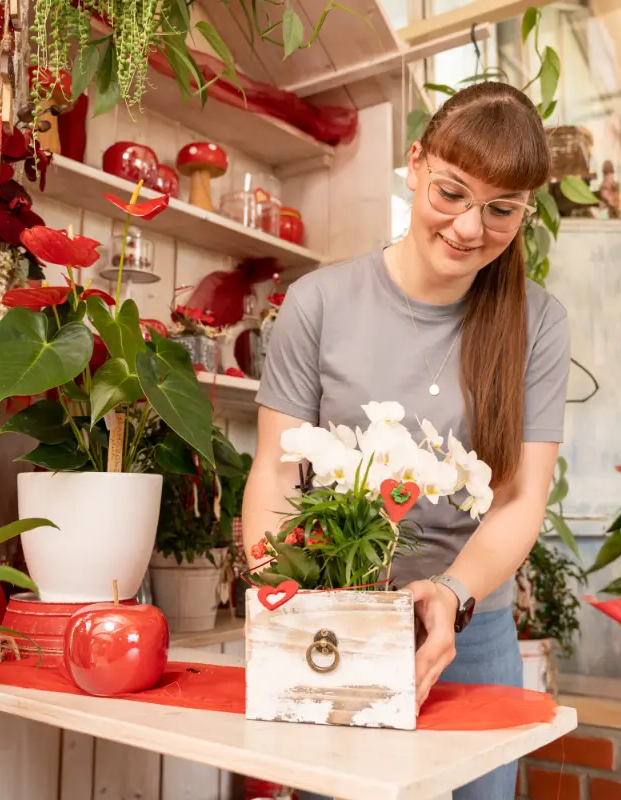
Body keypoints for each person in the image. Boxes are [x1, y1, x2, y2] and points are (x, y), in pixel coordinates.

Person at [240, 81, 572, 800]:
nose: (469, 227)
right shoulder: (319, 302)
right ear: (415, 165)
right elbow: (276, 469)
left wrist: (451, 593)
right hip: (340, 621)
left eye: (501, 209)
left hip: (468, 632)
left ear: (525, 211)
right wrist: (278, 594)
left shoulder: (537, 322)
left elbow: (520, 497)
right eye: (451, 193)